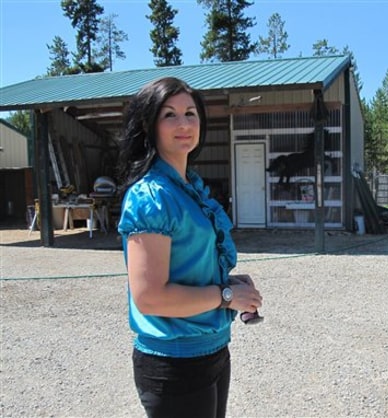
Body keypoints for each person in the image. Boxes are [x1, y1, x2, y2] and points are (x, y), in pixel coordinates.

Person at [116, 77, 263, 418]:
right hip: (173, 361)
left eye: (190, 113)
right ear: (149, 125)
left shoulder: (186, 187)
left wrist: (230, 282)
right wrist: (226, 296)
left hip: (212, 351)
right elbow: (149, 296)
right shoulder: (151, 195)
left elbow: (187, 263)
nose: (183, 124)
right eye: (169, 115)